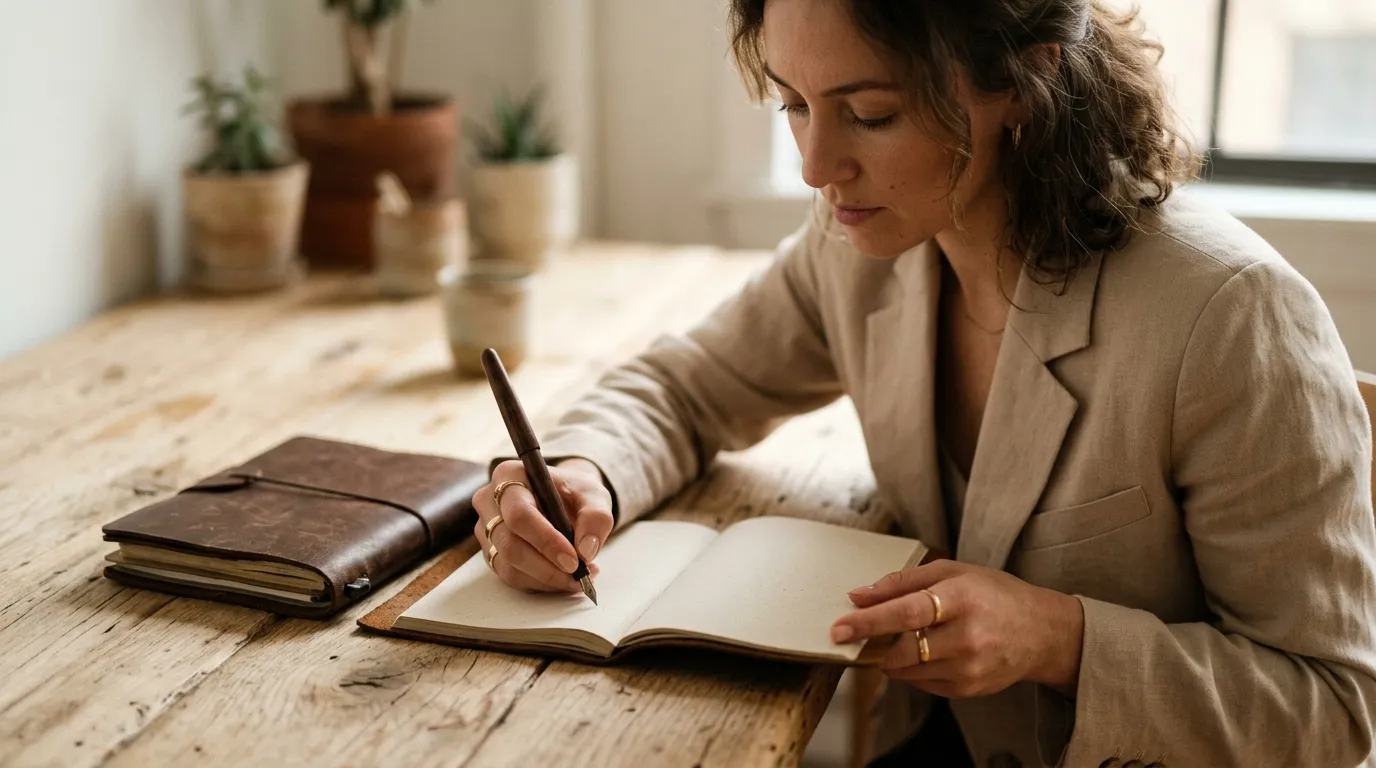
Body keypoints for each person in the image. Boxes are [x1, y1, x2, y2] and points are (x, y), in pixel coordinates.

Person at [470, 0, 1376, 765]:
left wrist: (1058, 639)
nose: (816, 167)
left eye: (868, 114)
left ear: (1024, 83)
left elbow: (1331, 711)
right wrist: (579, 471)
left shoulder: (1227, 316)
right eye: (792, 105)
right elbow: (685, 384)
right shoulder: (863, 245)